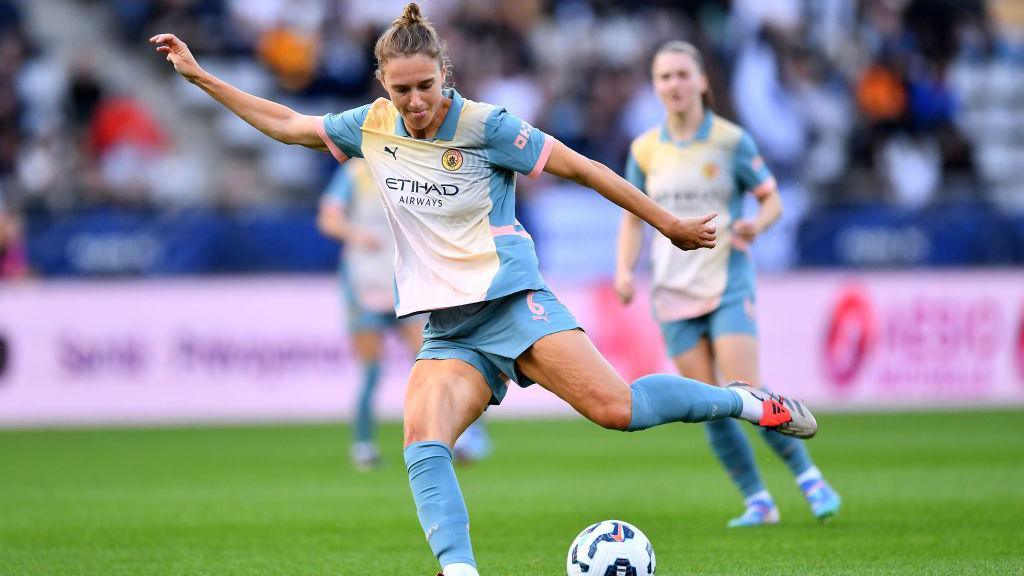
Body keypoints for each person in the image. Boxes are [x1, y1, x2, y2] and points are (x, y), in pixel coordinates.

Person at [151, 6, 818, 574]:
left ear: (446, 77)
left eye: (426, 87)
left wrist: (666, 223)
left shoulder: (487, 125)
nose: (415, 103)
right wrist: (202, 76)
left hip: (514, 307)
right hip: (448, 330)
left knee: (619, 410)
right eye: (402, 89)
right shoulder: (372, 126)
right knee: (422, 439)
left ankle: (742, 400)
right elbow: (287, 123)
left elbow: (582, 168)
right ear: (383, 85)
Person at [615, 41, 841, 527]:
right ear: (655, 87)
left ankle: (809, 479)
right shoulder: (645, 149)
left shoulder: (731, 140)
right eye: (664, 77)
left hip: (727, 281)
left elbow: (772, 199)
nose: (674, 84)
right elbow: (633, 218)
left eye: (682, 75)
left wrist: (756, 226)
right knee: (708, 406)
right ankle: (758, 500)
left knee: (747, 391)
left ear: (702, 82)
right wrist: (623, 271)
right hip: (672, 292)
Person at [317, 159, 492, 470]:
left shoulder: (411, 167)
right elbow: (328, 220)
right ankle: (364, 445)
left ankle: (464, 435)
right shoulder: (356, 173)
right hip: (364, 282)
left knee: (436, 362)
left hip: (406, 284)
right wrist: (357, 235)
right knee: (371, 370)